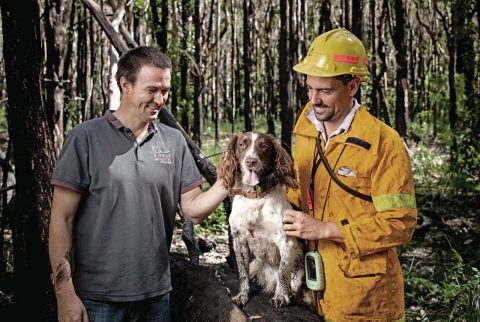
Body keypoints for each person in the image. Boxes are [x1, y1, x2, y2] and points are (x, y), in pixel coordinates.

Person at [48, 46, 228, 322]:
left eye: (165, 91)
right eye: (152, 90)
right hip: (96, 298)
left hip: (156, 295)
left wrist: (228, 182)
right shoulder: (85, 138)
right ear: (126, 85)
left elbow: (192, 209)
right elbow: (62, 219)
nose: (160, 99)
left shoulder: (174, 140)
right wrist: (64, 293)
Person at [283, 28, 417, 322]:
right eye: (310, 88)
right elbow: (299, 192)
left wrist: (326, 230)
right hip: (312, 293)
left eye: (326, 91)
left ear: (353, 86)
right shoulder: (306, 128)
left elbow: (400, 223)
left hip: (366, 301)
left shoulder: (383, 142)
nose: (314, 99)